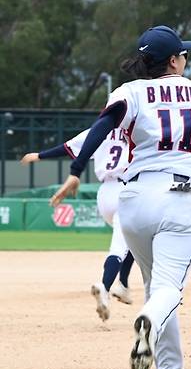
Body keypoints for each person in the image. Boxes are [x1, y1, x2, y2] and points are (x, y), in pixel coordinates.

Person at [50, 25, 191, 369]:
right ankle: (145, 320)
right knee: (167, 291)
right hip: (179, 197)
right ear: (174, 61)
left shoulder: (129, 91)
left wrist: (74, 170)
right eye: (183, 54)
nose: (186, 59)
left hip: (133, 200)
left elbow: (102, 126)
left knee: (155, 286)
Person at [22, 128, 135, 322]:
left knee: (133, 237)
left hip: (105, 194)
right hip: (129, 190)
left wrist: (39, 155)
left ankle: (123, 285)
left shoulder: (101, 129)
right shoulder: (139, 128)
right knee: (120, 246)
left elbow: (68, 148)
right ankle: (105, 288)